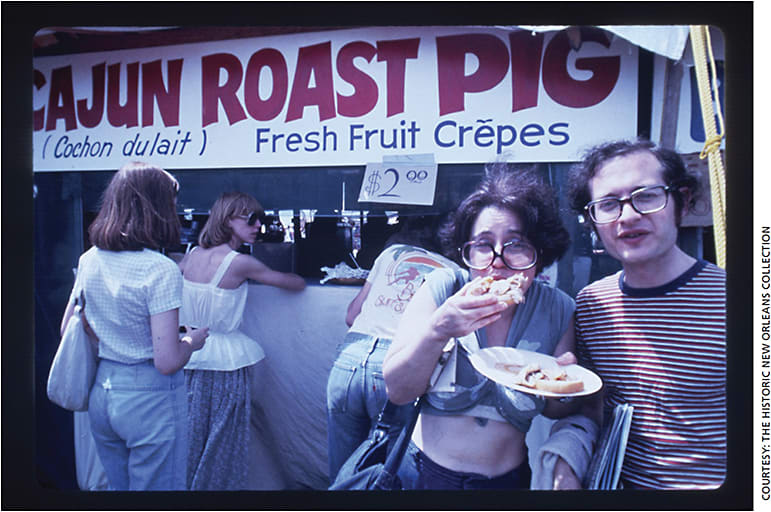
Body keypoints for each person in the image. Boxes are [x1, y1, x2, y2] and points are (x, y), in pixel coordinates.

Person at [382, 166, 583, 490]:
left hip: (507, 482)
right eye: (483, 244)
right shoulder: (444, 288)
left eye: (516, 244)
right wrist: (438, 330)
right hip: (421, 475)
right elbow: (398, 390)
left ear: (540, 252)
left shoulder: (557, 308)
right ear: (467, 250)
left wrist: (562, 384)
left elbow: (558, 409)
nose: (498, 260)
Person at [566, 138, 726, 489]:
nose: (628, 215)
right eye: (608, 204)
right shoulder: (592, 305)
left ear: (681, 201)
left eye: (647, 196)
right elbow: (593, 408)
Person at [60, 162, 209, 490]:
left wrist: (114, 333)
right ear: (156, 207)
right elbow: (167, 360)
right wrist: (192, 342)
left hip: (102, 391)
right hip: (150, 397)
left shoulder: (89, 259)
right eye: (170, 202)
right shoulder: (160, 269)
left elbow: (67, 329)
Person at [178, 191, 306, 490]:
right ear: (227, 220)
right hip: (226, 360)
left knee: (193, 434)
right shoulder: (239, 263)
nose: (258, 225)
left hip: (191, 352)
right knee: (224, 439)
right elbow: (294, 284)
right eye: (251, 219)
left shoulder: (192, 255)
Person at [326, 216, 461, 482]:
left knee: (343, 475)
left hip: (347, 361)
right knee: (388, 475)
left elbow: (352, 315)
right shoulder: (453, 272)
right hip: (393, 366)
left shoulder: (389, 254)